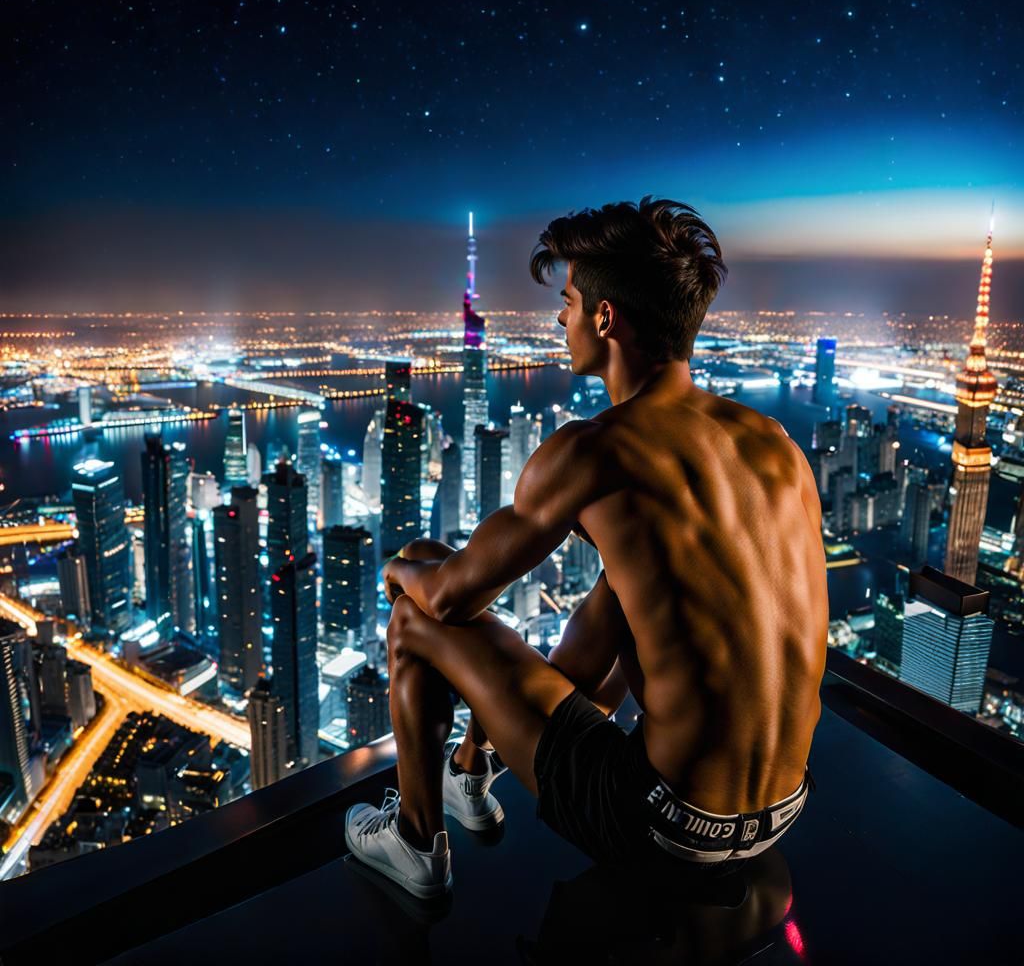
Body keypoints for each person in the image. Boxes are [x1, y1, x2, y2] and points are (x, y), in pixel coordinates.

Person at [345, 196, 829, 899]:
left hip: (659, 826)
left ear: (605, 318)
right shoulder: (777, 446)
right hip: (783, 815)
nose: (559, 320)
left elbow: (448, 599)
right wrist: (481, 740)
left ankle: (415, 842)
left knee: (414, 611)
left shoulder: (597, 452)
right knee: (616, 589)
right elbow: (637, 624)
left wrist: (397, 568)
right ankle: (467, 772)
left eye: (567, 302)